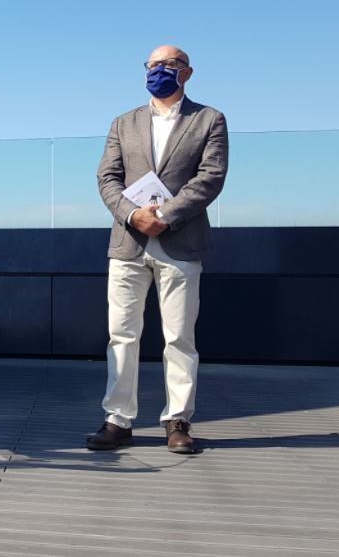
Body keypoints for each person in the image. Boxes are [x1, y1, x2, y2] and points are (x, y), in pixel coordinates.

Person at [89, 45, 228, 454]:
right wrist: (134, 215)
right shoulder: (123, 122)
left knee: (180, 337)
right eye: (152, 64)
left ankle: (177, 420)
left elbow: (211, 176)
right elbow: (107, 178)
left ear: (187, 72)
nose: (158, 70)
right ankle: (117, 420)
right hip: (128, 244)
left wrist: (165, 215)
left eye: (168, 64)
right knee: (121, 335)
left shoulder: (209, 119)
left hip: (181, 242)